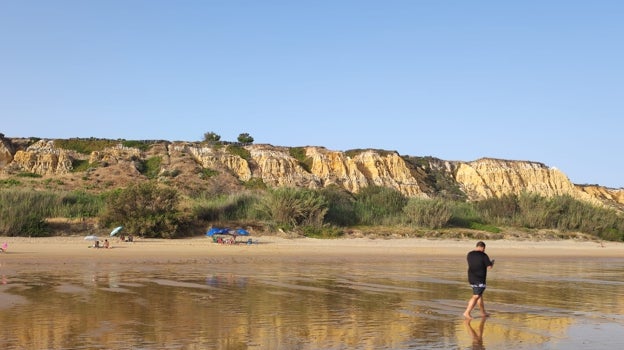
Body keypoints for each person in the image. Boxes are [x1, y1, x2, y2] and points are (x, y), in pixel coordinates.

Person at [463, 241, 495, 319]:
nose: (484, 250)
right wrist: (492, 263)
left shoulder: (469, 254)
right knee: (476, 296)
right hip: (479, 279)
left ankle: (483, 312)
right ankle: (467, 312)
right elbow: (489, 267)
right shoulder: (484, 255)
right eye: (484, 249)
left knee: (479, 295)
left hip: (471, 278)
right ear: (482, 247)